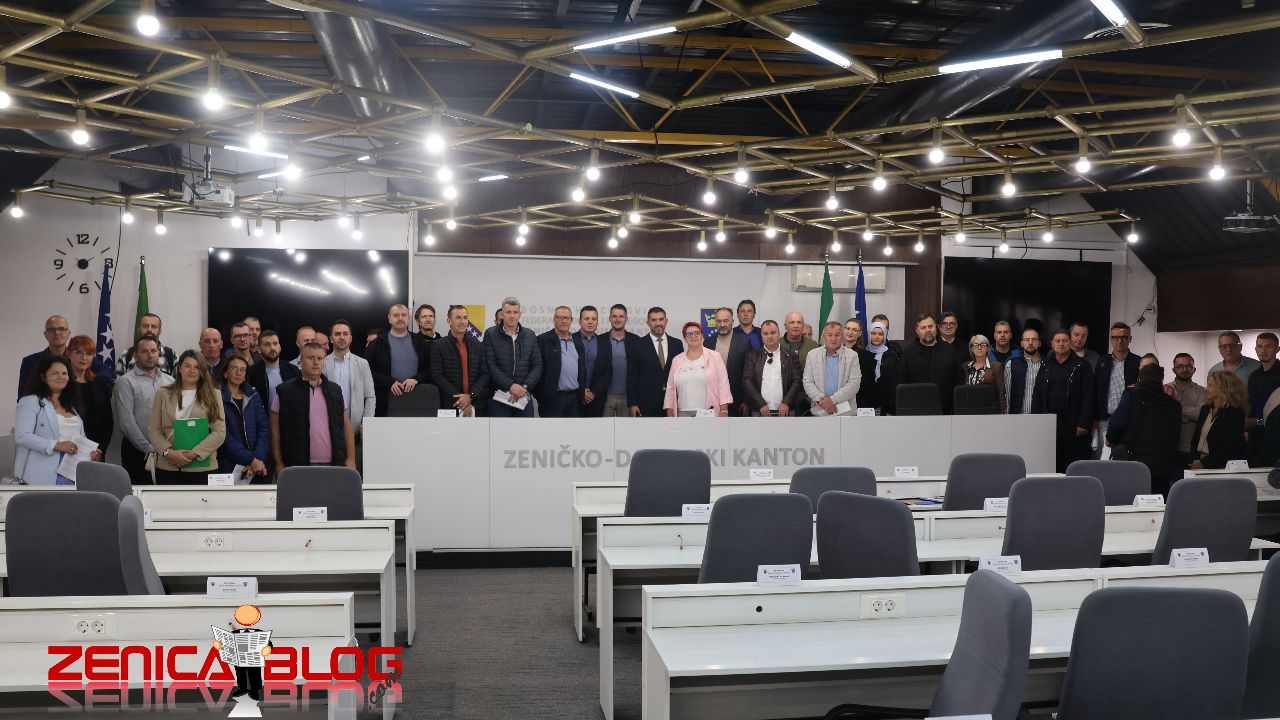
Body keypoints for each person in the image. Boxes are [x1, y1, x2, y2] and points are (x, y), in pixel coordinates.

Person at [271, 342, 356, 470]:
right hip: (297, 466)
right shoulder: (284, 391)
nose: (316, 362)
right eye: (310, 358)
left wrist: (351, 459)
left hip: (334, 465)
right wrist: (278, 463)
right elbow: (275, 430)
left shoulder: (335, 391)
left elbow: (346, 427)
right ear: (301, 361)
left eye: (320, 358)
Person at [148, 350, 226, 484]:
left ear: (202, 370)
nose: (192, 371)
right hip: (168, 466)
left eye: (197, 367)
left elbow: (219, 432)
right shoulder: (162, 394)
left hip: (202, 467)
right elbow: (153, 430)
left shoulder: (214, 394)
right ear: (179, 368)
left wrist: (194, 453)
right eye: (187, 366)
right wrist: (169, 453)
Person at [1105, 363, 1182, 495]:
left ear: (1139, 379)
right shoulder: (1174, 405)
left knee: (1130, 503)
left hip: (1133, 466)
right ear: (1161, 379)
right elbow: (1175, 438)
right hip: (1163, 469)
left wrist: (1109, 439)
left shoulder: (1131, 396)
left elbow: (1117, 423)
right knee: (1158, 505)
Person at [13, 355, 83, 485]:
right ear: (43, 377)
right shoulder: (30, 401)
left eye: (64, 373)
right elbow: (22, 436)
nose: (61, 377)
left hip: (72, 472)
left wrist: (90, 453)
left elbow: (79, 438)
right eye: (54, 373)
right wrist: (57, 445)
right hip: (41, 472)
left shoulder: (71, 406)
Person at [1032, 329, 1095, 473]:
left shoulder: (1082, 366)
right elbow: (1037, 394)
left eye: (1065, 341)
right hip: (1049, 425)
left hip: (1074, 425)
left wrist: (1084, 423)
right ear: (1052, 344)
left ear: (1070, 343)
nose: (1061, 344)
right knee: (1051, 465)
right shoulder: (1046, 364)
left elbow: (1089, 396)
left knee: (1073, 467)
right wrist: (1036, 421)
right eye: (1058, 341)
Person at [114, 334, 174, 484]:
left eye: (153, 351)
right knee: (139, 495)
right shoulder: (125, 382)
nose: (150, 355)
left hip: (168, 452)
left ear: (159, 354)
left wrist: (166, 449)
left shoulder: (170, 381)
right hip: (138, 452)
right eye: (144, 351)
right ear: (135, 355)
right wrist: (150, 449)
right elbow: (127, 423)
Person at [366, 305, 432, 417]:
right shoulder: (377, 344)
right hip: (385, 403)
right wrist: (388, 382)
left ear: (408, 318)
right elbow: (367, 371)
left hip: (416, 400)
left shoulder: (420, 342)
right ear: (389, 318)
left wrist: (416, 379)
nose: (400, 318)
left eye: (404, 315)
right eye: (396, 315)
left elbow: (430, 368)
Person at [481, 297, 541, 418]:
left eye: (515, 312)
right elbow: (490, 365)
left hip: (523, 396)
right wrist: (511, 386)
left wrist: (524, 387)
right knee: (499, 431)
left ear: (520, 314)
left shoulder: (530, 335)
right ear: (502, 314)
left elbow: (537, 365)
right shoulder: (490, 334)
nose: (512, 316)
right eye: (508, 312)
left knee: (525, 430)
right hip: (498, 398)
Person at [895, 313, 965, 414]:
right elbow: (902, 384)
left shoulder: (950, 350)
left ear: (936, 328)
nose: (928, 330)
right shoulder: (908, 353)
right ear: (917, 331)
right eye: (923, 327)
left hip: (945, 412)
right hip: (916, 411)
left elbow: (959, 381)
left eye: (931, 326)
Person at [217, 356, 269, 482]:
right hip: (228, 464)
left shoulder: (253, 395)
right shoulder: (217, 397)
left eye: (243, 369)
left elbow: (264, 429)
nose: (239, 373)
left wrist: (257, 459)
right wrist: (250, 459)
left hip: (256, 466)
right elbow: (223, 435)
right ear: (225, 373)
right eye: (234, 368)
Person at [431, 305, 489, 417]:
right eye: (458, 318)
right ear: (449, 321)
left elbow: (485, 374)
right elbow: (437, 375)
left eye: (465, 318)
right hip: (450, 404)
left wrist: (470, 396)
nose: (463, 322)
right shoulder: (438, 345)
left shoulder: (478, 345)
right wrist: (460, 398)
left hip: (475, 404)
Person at [663, 322, 731, 417]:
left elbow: (723, 385)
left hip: (708, 414)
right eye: (689, 334)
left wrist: (724, 411)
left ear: (702, 336)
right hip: (682, 414)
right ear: (685, 338)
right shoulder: (677, 360)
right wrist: (670, 413)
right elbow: (670, 389)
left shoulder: (715, 356)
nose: (693, 336)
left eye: (697, 333)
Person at [324, 320, 377, 441]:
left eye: (345, 333)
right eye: (337, 334)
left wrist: (365, 425)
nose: (342, 337)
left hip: (356, 430)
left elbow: (370, 397)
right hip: (329, 429)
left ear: (351, 338)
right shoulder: (322, 364)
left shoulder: (362, 364)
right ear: (331, 339)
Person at [1093, 322, 1140, 455]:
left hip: (1129, 420)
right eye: (1115, 337)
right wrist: (1095, 418)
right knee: (1103, 458)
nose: (1119, 341)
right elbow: (1096, 391)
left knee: (1125, 456)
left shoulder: (1138, 362)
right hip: (1105, 419)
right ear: (1111, 339)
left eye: (1124, 337)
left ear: (1130, 339)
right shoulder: (1102, 362)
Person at [1188, 370, 1249, 470]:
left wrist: (1204, 463)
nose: (1206, 389)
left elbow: (1230, 446)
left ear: (1223, 388)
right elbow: (1195, 440)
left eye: (1210, 385)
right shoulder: (1205, 409)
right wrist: (1195, 459)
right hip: (1199, 464)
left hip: (1221, 467)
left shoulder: (1234, 413)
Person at [629, 306, 682, 417]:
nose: (658, 323)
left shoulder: (677, 344)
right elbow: (632, 376)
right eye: (653, 320)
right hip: (646, 404)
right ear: (648, 323)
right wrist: (632, 404)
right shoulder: (637, 345)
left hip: (672, 403)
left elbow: (680, 374)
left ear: (666, 321)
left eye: (661, 319)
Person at [743, 320, 801, 417]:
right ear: (761, 336)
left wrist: (786, 402)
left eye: (773, 333)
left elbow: (797, 380)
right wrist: (761, 404)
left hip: (786, 411)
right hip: (759, 411)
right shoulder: (752, 356)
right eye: (765, 334)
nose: (769, 336)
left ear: (779, 334)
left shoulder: (791, 355)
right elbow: (747, 381)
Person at [535, 306, 585, 417]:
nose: (564, 321)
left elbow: (582, 371)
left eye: (567, 318)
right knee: (551, 428)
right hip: (551, 399)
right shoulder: (542, 340)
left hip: (574, 399)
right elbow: (535, 369)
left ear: (572, 320)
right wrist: (542, 396)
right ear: (554, 319)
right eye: (560, 317)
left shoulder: (578, 342)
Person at [803, 321, 861, 417]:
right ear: (824, 336)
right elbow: (807, 382)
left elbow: (854, 384)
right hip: (820, 411)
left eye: (837, 335)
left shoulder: (852, 355)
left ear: (842, 336)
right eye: (829, 335)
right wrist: (824, 401)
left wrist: (832, 400)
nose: (833, 339)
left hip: (846, 412)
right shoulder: (812, 355)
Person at [67, 335, 111, 461]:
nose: (84, 357)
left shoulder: (100, 383)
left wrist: (100, 449)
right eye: (78, 352)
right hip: (69, 450)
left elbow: (108, 421)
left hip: (95, 452)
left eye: (89, 353)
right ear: (68, 353)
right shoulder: (63, 383)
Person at [704, 307, 750, 416]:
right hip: (712, 400)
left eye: (726, 321)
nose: (722, 324)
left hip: (737, 400)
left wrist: (747, 400)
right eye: (719, 321)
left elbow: (749, 374)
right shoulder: (708, 342)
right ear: (715, 323)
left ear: (732, 321)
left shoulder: (744, 342)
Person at [18, 315, 71, 399]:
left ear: (68, 333)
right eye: (52, 329)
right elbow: (23, 397)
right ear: (45, 334)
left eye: (62, 329)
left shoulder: (82, 361)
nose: (57, 332)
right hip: (40, 406)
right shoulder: (30, 362)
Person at [1165, 353, 1207, 454]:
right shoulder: (1165, 390)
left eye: (1188, 366)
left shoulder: (1203, 392)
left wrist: (1176, 408)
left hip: (1192, 448)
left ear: (1194, 369)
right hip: (1167, 447)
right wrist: (1189, 415)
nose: (1184, 370)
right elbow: (1164, 416)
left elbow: (1201, 415)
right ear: (1173, 370)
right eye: (1180, 366)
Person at [247, 330, 299, 412]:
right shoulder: (252, 372)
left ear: (280, 347)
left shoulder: (293, 370)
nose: (272, 348)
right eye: (267, 345)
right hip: (263, 418)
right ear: (259, 349)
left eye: (275, 343)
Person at [573, 305, 611, 417]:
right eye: (586, 319)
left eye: (594, 319)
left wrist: (593, 392)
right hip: (574, 398)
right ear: (580, 321)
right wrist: (581, 391)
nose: (590, 322)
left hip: (597, 399)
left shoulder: (605, 342)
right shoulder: (571, 340)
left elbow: (608, 371)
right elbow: (569, 369)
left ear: (597, 322)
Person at [1247, 332, 1280, 457]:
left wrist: (1258, 422)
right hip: (1255, 438)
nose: (1263, 350)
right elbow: (1252, 405)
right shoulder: (1254, 376)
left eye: (1268, 346)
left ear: (1277, 349)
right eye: (1259, 346)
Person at [603, 304, 639, 418]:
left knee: (626, 429)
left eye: (621, 316)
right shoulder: (600, 340)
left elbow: (639, 371)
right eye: (614, 316)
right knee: (603, 428)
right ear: (609, 318)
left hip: (628, 397)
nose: (617, 319)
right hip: (605, 396)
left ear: (626, 319)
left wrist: (635, 400)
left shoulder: (636, 341)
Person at [860, 321, 898, 413]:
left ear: (884, 336)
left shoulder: (891, 356)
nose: (876, 337)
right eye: (873, 333)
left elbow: (893, 386)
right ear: (869, 334)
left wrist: (890, 410)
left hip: (883, 405)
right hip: (863, 406)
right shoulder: (862, 353)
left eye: (880, 334)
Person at [1004, 327, 1044, 414]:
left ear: (1039, 343)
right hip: (1017, 416)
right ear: (1022, 343)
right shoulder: (1011, 364)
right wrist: (1006, 416)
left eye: (1034, 339)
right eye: (1027, 340)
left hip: (1041, 416)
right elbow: (1007, 393)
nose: (1030, 343)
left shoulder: (1046, 365)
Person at [964, 334, 1006, 413]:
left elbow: (1001, 392)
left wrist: (1002, 413)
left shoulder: (996, 367)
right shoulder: (965, 367)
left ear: (987, 348)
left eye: (983, 345)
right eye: (976, 345)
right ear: (971, 349)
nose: (979, 347)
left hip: (989, 410)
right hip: (969, 410)